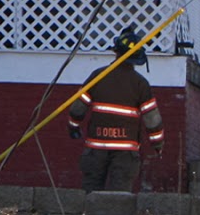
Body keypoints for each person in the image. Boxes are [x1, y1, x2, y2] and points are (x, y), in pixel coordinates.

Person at [68, 27, 166, 191]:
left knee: (90, 193)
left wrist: (73, 126)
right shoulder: (140, 84)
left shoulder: (98, 76)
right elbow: (152, 119)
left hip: (96, 147)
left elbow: (78, 108)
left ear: (116, 52)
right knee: (119, 197)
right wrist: (158, 143)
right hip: (125, 152)